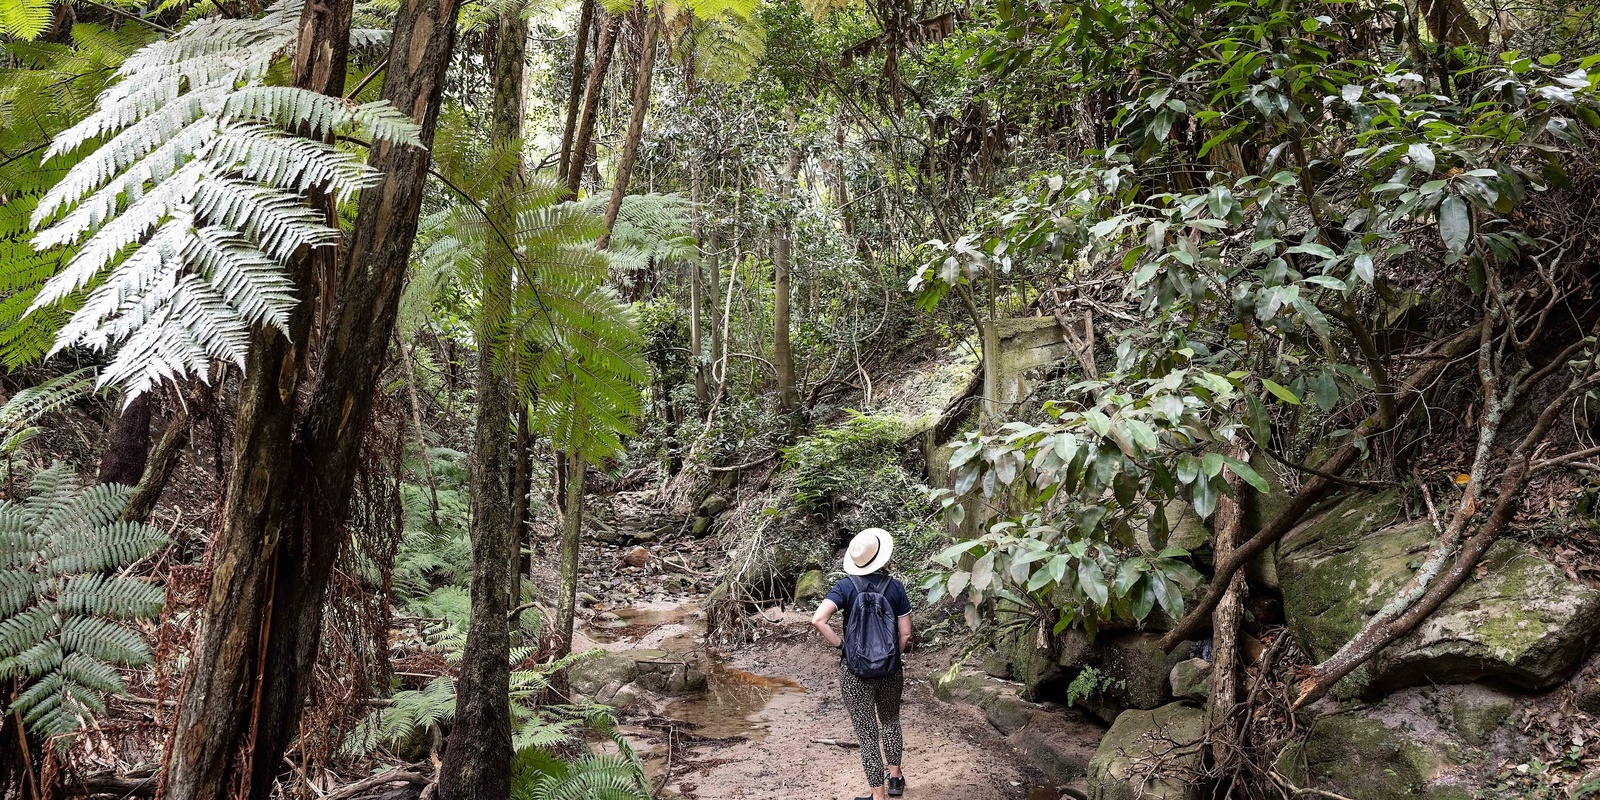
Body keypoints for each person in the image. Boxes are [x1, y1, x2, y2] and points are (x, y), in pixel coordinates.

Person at [810, 527, 913, 800]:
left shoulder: (845, 587)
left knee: (867, 734)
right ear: (882, 556)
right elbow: (905, 633)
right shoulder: (895, 587)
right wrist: (893, 657)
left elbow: (818, 620)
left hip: (855, 672)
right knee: (890, 721)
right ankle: (895, 780)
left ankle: (877, 796)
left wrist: (843, 647)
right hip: (891, 670)